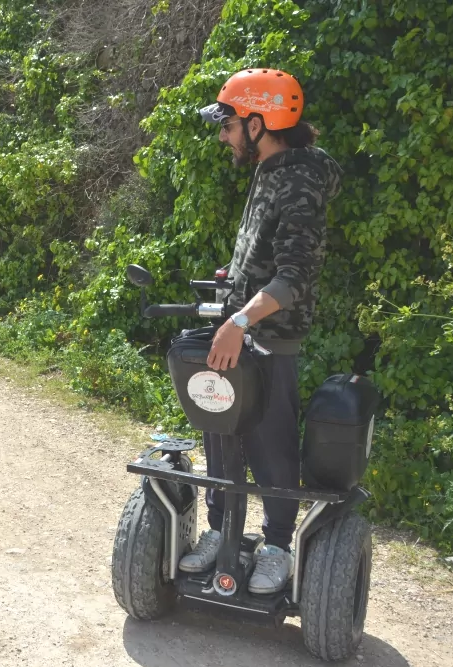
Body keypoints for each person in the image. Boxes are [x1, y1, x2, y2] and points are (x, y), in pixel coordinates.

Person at [178, 68, 343, 594]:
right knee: (219, 427)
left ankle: (276, 546)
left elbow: (294, 276)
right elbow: (263, 254)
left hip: (271, 336)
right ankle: (220, 529)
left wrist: (242, 319)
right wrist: (235, 285)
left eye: (228, 125)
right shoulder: (271, 168)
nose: (223, 136)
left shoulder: (301, 180)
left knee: (270, 444)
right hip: (240, 327)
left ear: (258, 123)